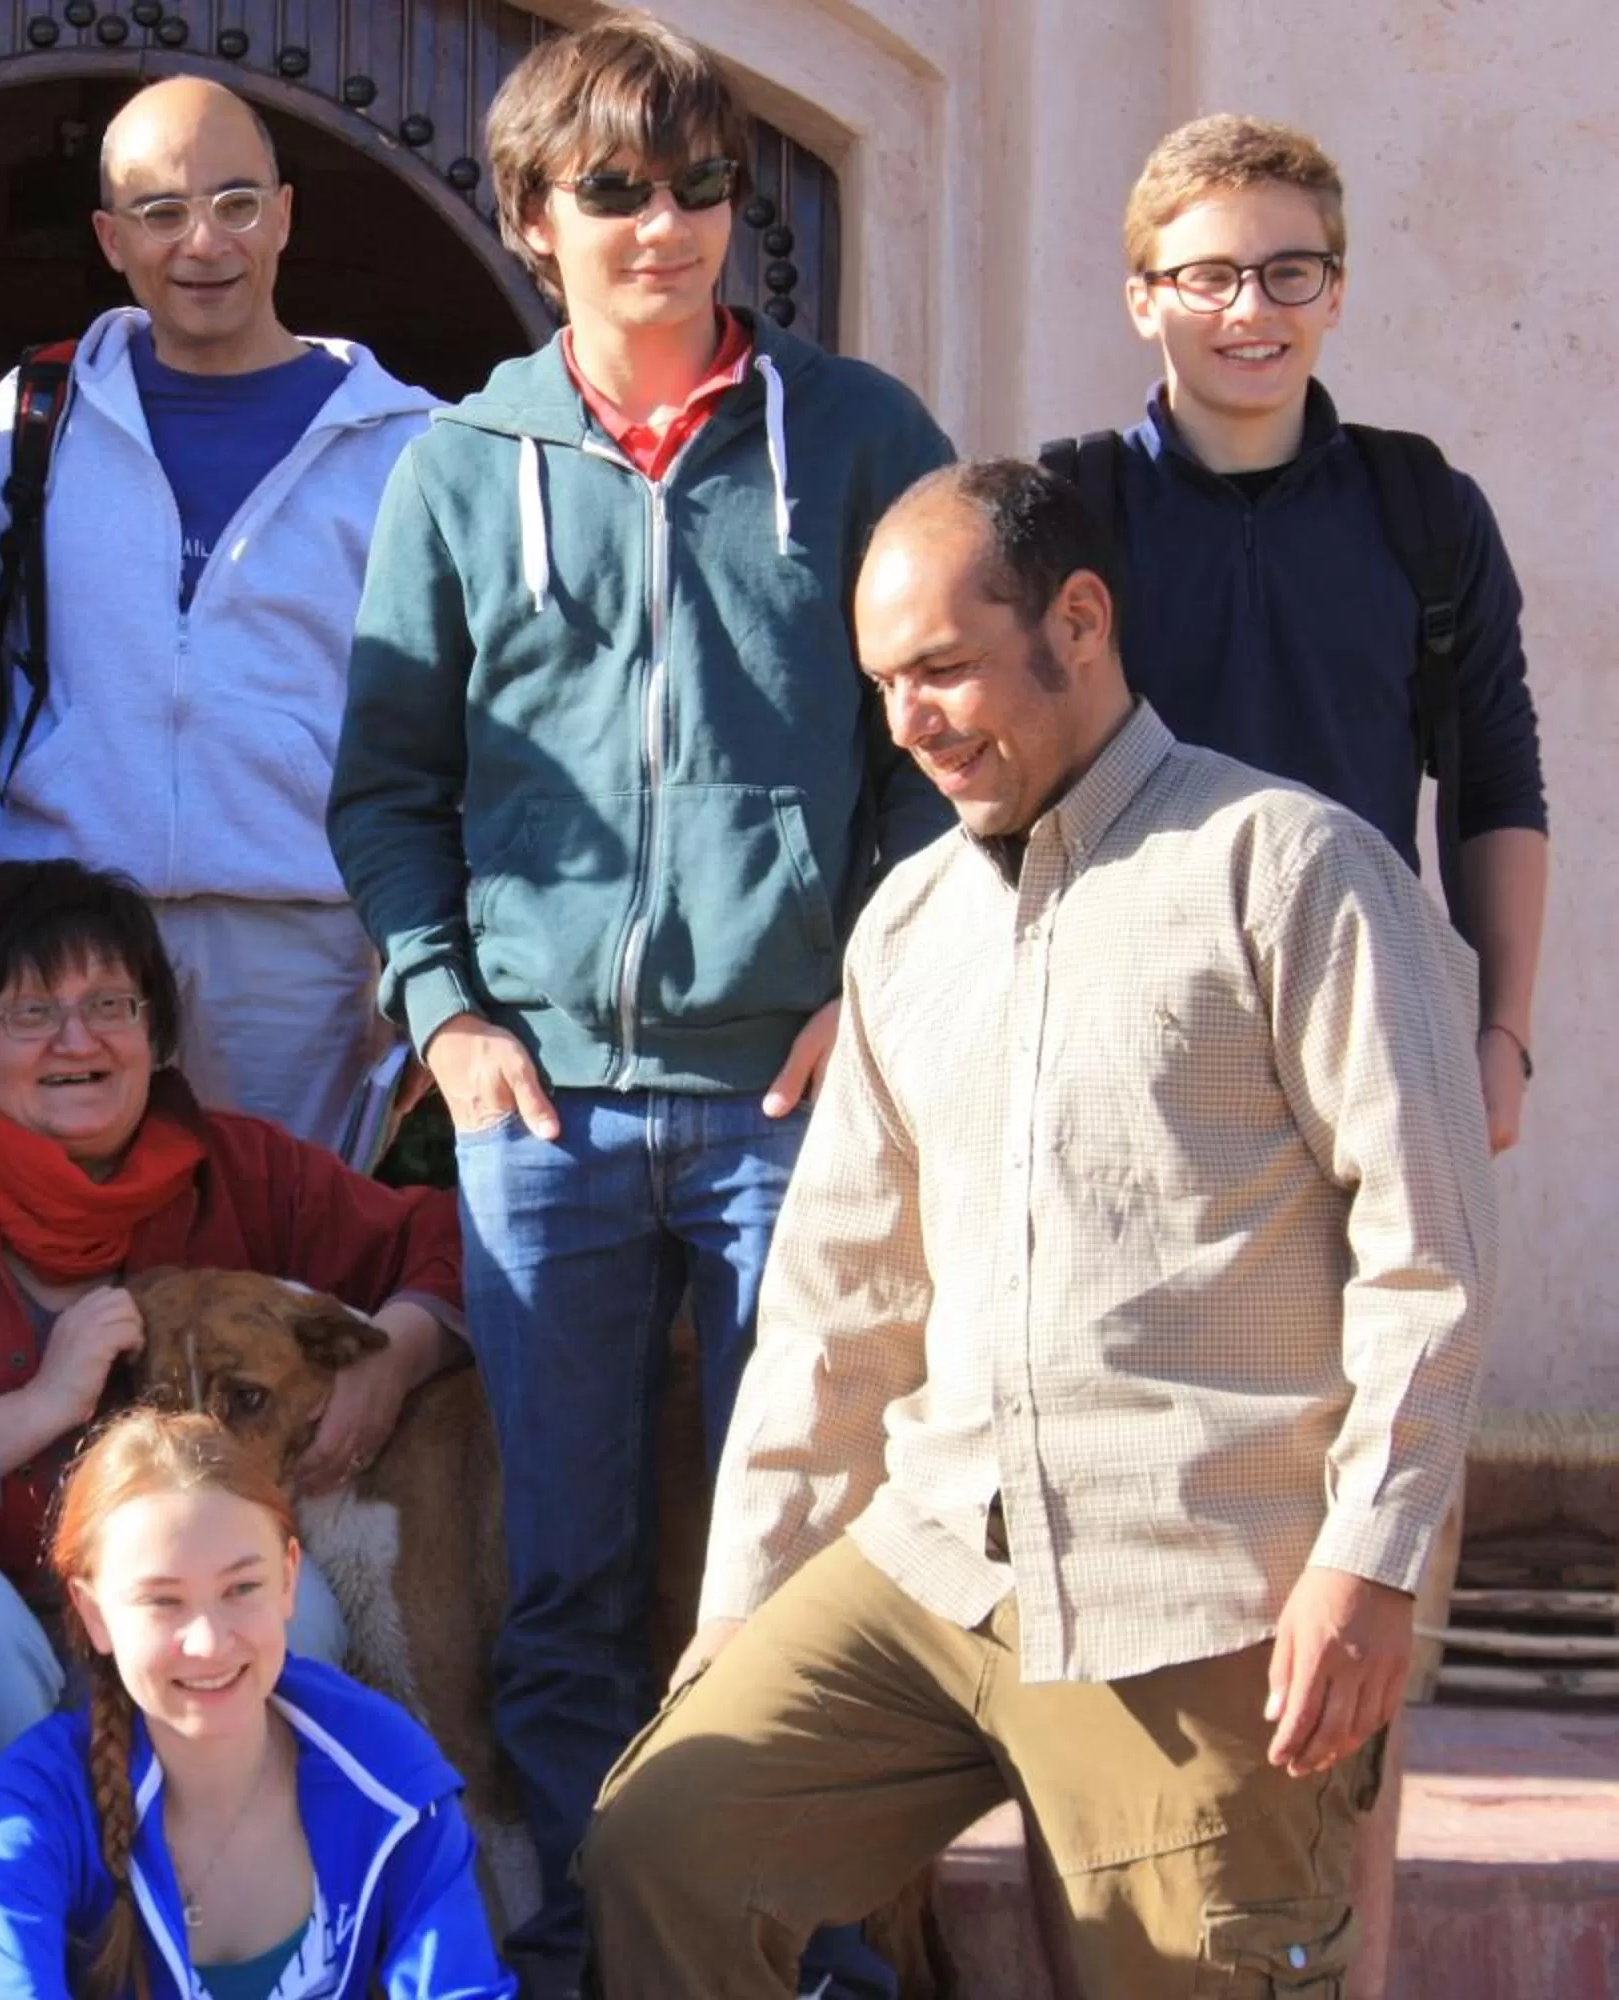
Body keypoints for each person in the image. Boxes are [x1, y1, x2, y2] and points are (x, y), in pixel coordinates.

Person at [580, 460, 1496, 1994]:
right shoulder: (909, 924)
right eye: (883, 685)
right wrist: (743, 1599)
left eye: (942, 668)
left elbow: (1431, 1255)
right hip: (937, 1572)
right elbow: (837, 1305)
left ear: (1079, 621)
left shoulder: (1291, 870)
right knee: (669, 1842)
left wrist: (1372, 1562)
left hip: (1204, 1594)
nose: (909, 723)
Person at [324, 16, 953, 1987]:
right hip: (548, 1120)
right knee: (571, 1583)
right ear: (533, 217)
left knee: (812, 1564)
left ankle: (812, 1952)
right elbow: (387, 780)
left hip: (797, 1101)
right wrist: (448, 1015)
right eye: (614, 192)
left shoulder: (859, 440)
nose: (663, 227)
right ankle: (621, 1942)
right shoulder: (459, 465)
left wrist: (871, 985)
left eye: (696, 187)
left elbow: (942, 750)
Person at [0, 859, 465, 1786]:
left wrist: (397, 1353)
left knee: (297, 1605)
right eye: (32, 1012)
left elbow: (457, 1238)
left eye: (113, 1005)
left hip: (176, 1599)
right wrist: (28, 1412)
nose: (77, 1038)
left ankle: (228, 1902)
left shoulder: (238, 1170)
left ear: (154, 1032)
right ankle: (2, 1905)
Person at [0, 78, 435, 1156]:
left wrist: (425, 950)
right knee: (55, 1272)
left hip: (300, 953)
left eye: (237, 203)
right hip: (60, 936)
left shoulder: (409, 446)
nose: (204, 241)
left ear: (286, 215)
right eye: (161, 211)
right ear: (112, 238)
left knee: (268, 1282)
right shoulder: (30, 421)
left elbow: (450, 719)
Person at [1062, 113, 1547, 1151]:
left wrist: (1501, 1035)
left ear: (1336, 290)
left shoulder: (1426, 510)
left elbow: (1495, 778)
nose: (1251, 309)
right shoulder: (1065, 512)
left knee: (1394, 1319)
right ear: (1143, 301)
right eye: (1209, 276)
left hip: (1375, 1023)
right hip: (1127, 1036)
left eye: (1289, 272)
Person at [0, 1407, 511, 1999]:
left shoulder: (383, 1768)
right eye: (163, 1601)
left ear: (289, 1580)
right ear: (94, 1614)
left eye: (242, 1588)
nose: (210, 1642)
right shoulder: (38, 1803)